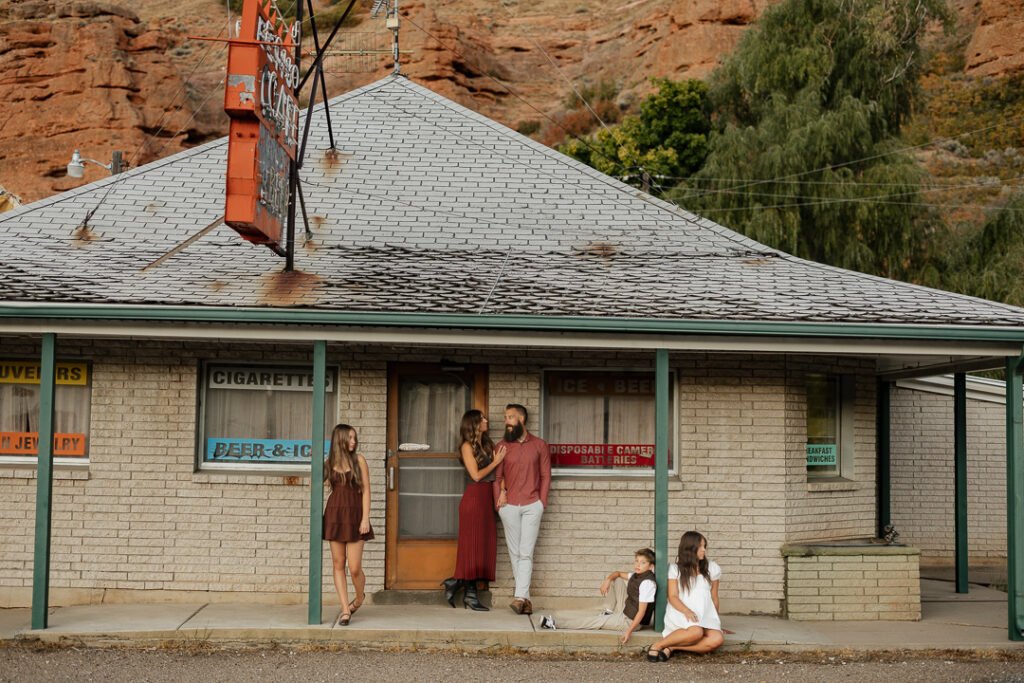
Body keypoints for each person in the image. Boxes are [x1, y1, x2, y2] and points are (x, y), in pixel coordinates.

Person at [441, 409, 507, 611]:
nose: (487, 421)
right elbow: (476, 475)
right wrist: (495, 462)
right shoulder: (466, 446)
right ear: (474, 424)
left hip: (488, 498)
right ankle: (470, 596)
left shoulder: (488, 444)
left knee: (483, 547)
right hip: (474, 498)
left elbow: (502, 472)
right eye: (483, 419)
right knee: (472, 548)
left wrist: (503, 490)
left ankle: (456, 582)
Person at [493, 403, 551, 616]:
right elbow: (498, 477)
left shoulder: (539, 445)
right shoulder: (501, 446)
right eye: (505, 417)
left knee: (525, 553)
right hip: (508, 506)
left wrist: (541, 503)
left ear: (521, 419)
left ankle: (519, 597)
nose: (506, 421)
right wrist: (498, 501)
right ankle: (524, 599)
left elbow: (546, 476)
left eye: (510, 417)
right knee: (514, 553)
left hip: (531, 505)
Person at [538, 548, 656, 644]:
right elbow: (618, 573)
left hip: (630, 621)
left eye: (643, 562)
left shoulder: (647, 583)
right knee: (618, 580)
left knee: (594, 621)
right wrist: (608, 580)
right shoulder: (637, 575)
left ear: (651, 566)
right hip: (626, 611)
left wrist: (629, 632)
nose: (638, 564)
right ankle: (609, 611)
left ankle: (554, 623)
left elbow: (641, 612)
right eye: (636, 561)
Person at [322, 423, 373, 627]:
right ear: (340, 439)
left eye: (354, 438)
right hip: (334, 514)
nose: (353, 442)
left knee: (354, 567)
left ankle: (359, 598)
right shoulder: (329, 462)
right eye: (349, 438)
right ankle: (345, 609)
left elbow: (367, 490)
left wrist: (365, 518)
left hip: (355, 515)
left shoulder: (359, 460)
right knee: (337, 564)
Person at [647, 531, 724, 661]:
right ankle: (657, 645)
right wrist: (687, 611)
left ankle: (673, 648)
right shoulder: (675, 569)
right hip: (682, 612)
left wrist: (715, 621)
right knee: (696, 632)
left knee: (717, 639)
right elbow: (672, 596)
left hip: (705, 614)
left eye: (704, 546)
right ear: (689, 549)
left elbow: (714, 597)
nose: (704, 550)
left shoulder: (712, 568)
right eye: (700, 547)